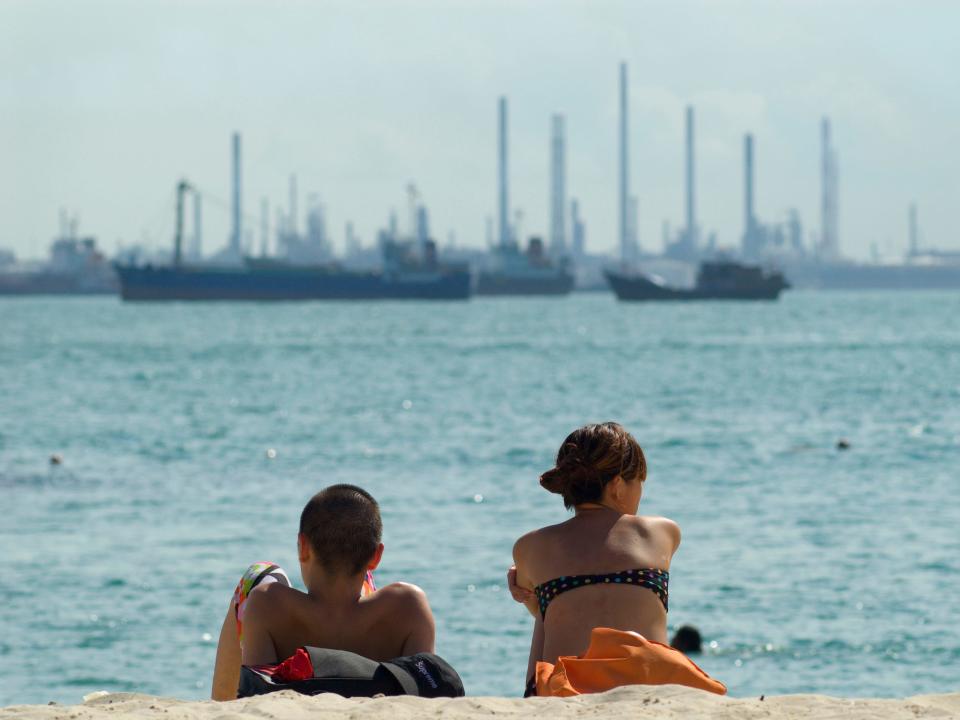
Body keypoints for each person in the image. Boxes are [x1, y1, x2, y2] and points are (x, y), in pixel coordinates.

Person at [211, 484, 436, 700]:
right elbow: (426, 687)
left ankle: (219, 706)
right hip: (374, 679)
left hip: (291, 688)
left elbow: (257, 689)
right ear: (377, 556)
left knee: (258, 573)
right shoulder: (408, 607)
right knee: (363, 579)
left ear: (303, 547)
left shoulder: (267, 604)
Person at [509, 422, 683, 696]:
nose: (641, 492)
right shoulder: (661, 532)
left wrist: (527, 593)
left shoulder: (531, 545)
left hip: (566, 691)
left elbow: (551, 613)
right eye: (638, 482)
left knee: (547, 608)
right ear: (616, 485)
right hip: (648, 689)